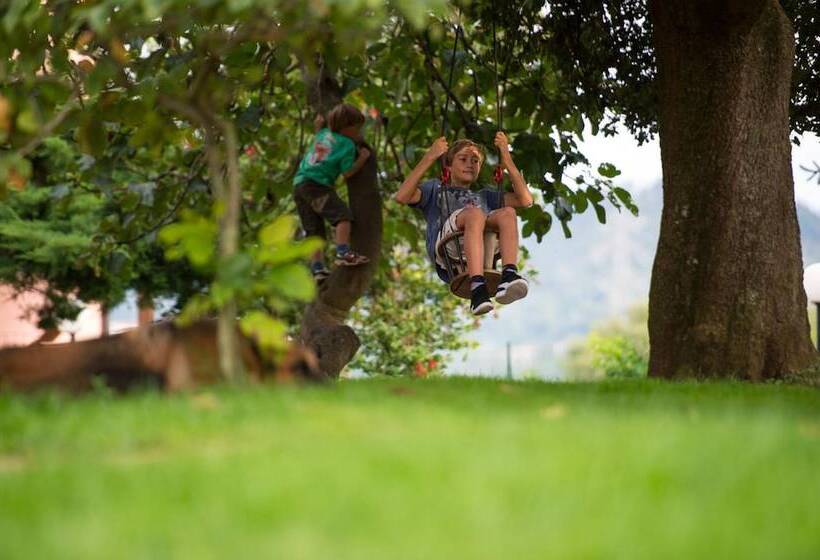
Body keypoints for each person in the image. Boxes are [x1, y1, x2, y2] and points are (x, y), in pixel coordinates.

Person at [394, 132, 533, 315]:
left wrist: (507, 159)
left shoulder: (484, 196)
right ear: (449, 167)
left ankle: (508, 274)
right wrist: (430, 156)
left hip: (483, 248)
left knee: (508, 213)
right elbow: (402, 196)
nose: (470, 163)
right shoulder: (436, 189)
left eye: (475, 161)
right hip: (451, 248)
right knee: (475, 214)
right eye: (463, 159)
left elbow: (525, 200)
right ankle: (477, 287)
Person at [293, 103, 371, 281]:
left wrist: (318, 126)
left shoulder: (323, 134)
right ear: (347, 128)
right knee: (342, 217)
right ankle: (343, 252)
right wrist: (362, 158)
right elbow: (347, 172)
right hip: (316, 185)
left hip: (299, 184)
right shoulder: (347, 145)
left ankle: (317, 269)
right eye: (357, 128)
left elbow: (319, 134)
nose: (358, 132)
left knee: (313, 231)